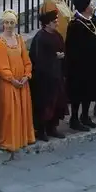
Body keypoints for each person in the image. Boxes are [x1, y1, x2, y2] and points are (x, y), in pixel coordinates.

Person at [64, 0, 96, 131]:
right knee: (78, 93)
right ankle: (74, 119)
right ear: (85, 7)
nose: (92, 6)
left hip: (90, 66)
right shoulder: (75, 24)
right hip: (79, 67)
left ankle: (85, 116)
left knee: (88, 92)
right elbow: (75, 48)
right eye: (90, 4)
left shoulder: (89, 21)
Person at [0, 12, 35, 151]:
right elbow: (0, 65)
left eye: (12, 22)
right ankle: (8, 140)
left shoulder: (19, 39)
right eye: (7, 22)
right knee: (9, 112)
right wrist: (12, 79)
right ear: (3, 24)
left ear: (16, 24)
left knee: (22, 110)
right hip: (8, 84)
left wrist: (27, 75)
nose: (9, 25)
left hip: (22, 82)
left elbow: (26, 60)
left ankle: (23, 137)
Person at [29, 10, 67, 140]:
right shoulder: (40, 38)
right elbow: (38, 59)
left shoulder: (57, 35)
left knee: (56, 103)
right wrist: (54, 56)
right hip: (44, 79)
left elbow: (62, 48)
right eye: (54, 22)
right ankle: (41, 130)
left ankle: (52, 128)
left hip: (56, 75)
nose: (56, 24)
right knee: (44, 105)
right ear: (46, 24)